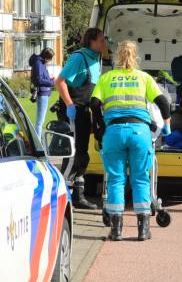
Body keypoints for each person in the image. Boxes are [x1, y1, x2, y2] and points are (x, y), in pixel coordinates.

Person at [90, 41, 171, 241]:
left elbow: (94, 104)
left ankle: (116, 230)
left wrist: (99, 128)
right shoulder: (144, 78)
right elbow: (162, 102)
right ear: (136, 56)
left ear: (117, 56)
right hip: (140, 132)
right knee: (140, 178)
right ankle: (143, 230)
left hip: (114, 132)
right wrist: (167, 123)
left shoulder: (106, 78)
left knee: (116, 180)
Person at [54, 28, 106, 210]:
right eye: (101, 40)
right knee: (73, 154)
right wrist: (69, 106)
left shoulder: (96, 59)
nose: (104, 43)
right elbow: (59, 81)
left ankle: (78, 196)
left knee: (83, 154)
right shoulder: (79, 58)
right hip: (73, 111)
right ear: (92, 41)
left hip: (84, 112)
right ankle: (59, 196)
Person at [29, 47, 55, 138]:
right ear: (46, 57)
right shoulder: (39, 63)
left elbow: (41, 77)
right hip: (42, 93)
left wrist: (49, 79)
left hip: (44, 93)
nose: (50, 60)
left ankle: (38, 141)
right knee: (40, 122)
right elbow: (38, 80)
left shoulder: (41, 63)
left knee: (40, 121)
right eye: (50, 58)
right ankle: (38, 143)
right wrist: (51, 83)